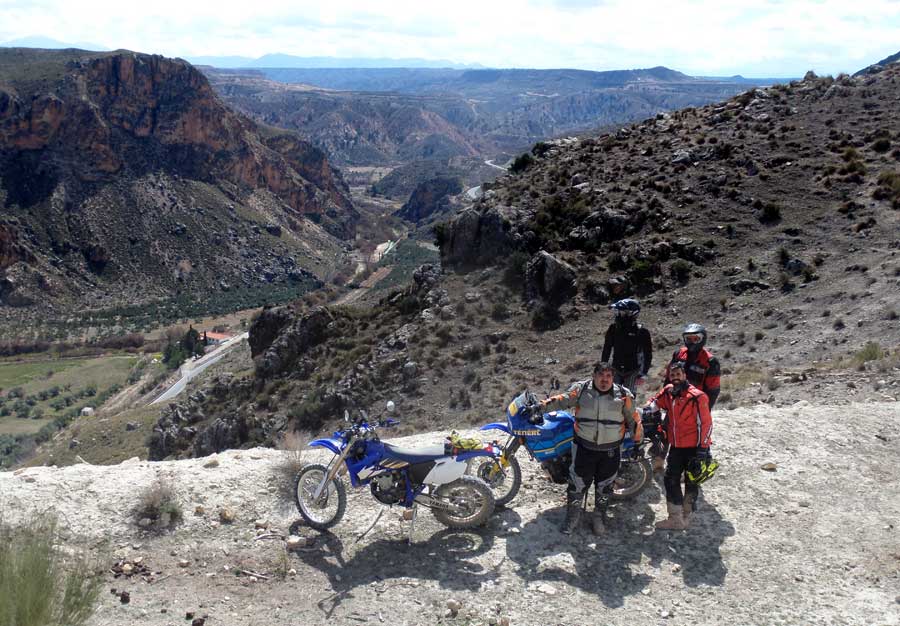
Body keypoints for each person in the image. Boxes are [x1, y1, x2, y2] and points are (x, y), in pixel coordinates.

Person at [535, 361, 643, 535]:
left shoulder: (623, 395)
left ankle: (599, 518)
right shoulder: (581, 390)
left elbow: (634, 420)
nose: (604, 380)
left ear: (613, 378)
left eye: (608, 376)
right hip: (584, 448)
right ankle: (572, 518)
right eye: (601, 375)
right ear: (594, 376)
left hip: (611, 451)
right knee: (577, 484)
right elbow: (562, 400)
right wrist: (540, 406)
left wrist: (638, 443)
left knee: (605, 487)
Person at [645, 362, 712, 530]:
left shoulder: (697, 397)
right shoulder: (668, 392)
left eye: (678, 374)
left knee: (692, 481)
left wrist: (703, 450)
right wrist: (649, 409)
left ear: (684, 375)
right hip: (676, 446)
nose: (675, 378)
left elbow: (706, 425)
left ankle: (687, 516)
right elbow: (654, 401)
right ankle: (675, 518)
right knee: (670, 479)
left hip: (694, 448)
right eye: (672, 375)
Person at [651, 323, 721, 473]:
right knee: (665, 430)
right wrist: (665, 396)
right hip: (675, 401)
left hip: (694, 406)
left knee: (696, 436)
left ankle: (696, 466)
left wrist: (704, 410)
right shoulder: (679, 354)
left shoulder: (710, 361)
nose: (691, 342)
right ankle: (658, 460)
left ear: (702, 339)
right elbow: (669, 378)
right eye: (688, 338)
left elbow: (713, 390)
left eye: (695, 338)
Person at [601, 299, 653, 396]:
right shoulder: (613, 328)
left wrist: (643, 374)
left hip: (633, 371)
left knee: (628, 398)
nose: (618, 315)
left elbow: (647, 354)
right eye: (617, 312)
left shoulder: (642, 331)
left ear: (632, 313)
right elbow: (606, 349)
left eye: (621, 312)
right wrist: (603, 368)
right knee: (611, 396)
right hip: (615, 369)